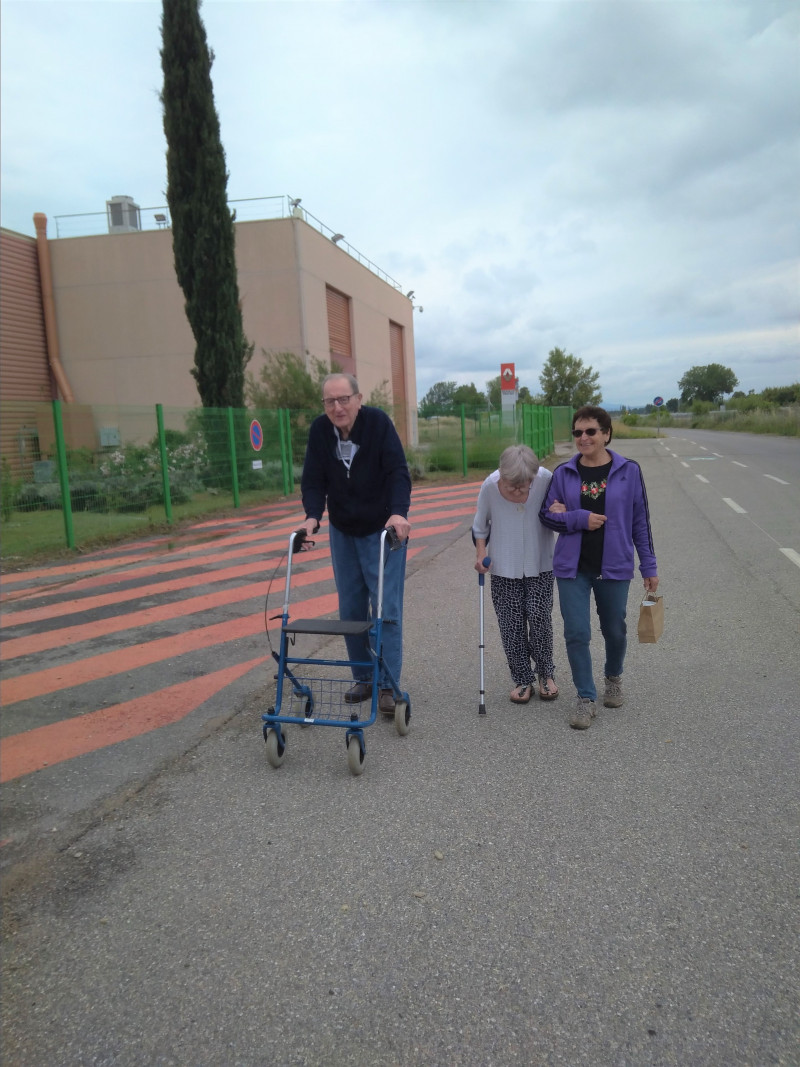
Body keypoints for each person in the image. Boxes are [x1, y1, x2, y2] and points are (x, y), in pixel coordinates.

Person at [539, 405, 659, 730]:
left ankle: (613, 677)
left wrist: (649, 564)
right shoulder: (563, 474)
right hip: (572, 567)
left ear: (606, 433)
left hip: (614, 566)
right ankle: (585, 696)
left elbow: (640, 522)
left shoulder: (628, 471)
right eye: (578, 432)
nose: (583, 437)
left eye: (591, 431)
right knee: (577, 633)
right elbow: (548, 516)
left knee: (615, 630)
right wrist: (577, 518)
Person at [299, 373, 411, 715]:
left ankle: (388, 685)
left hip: (383, 532)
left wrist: (398, 513)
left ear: (358, 398)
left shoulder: (377, 424)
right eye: (330, 401)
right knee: (350, 609)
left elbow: (398, 472)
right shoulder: (320, 431)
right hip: (344, 531)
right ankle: (363, 677)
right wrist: (312, 517)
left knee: (386, 611)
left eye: (343, 399)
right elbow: (313, 480)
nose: (337, 407)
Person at [473, 444, 559, 705]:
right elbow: (479, 527)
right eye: (512, 486)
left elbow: (561, 510)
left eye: (525, 485)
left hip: (541, 563)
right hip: (503, 568)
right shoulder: (490, 486)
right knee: (511, 626)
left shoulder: (546, 479)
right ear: (501, 474)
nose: (519, 491)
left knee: (540, 618)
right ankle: (522, 679)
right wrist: (480, 555)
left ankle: (545, 675)